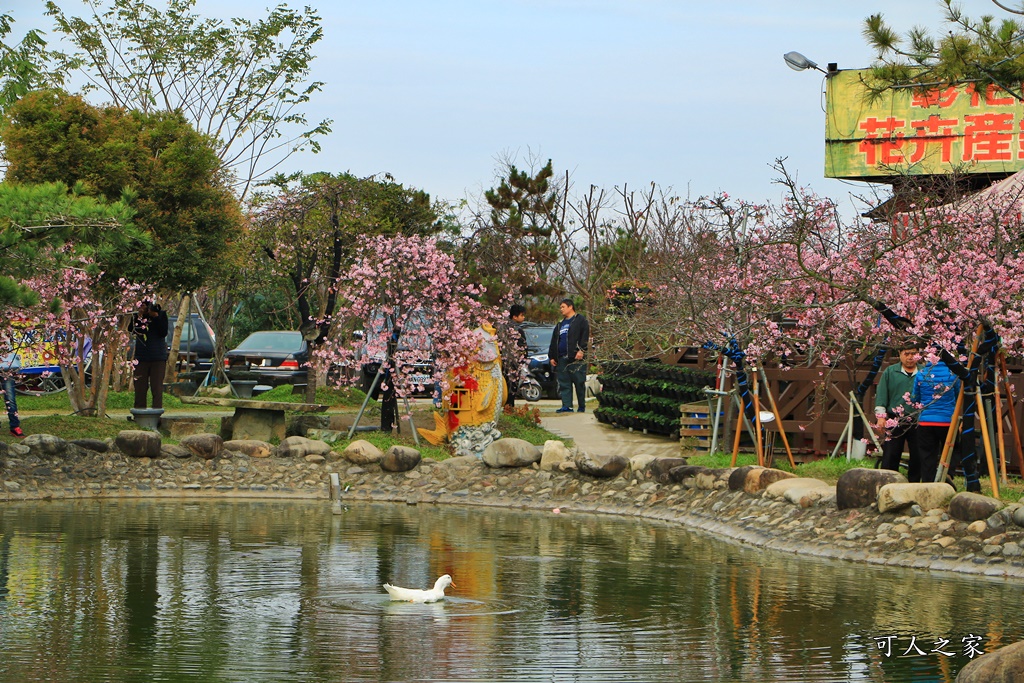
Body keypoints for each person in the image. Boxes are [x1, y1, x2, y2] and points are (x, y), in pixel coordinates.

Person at [873, 345, 921, 474]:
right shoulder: (891, 372)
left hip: (918, 418)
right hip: (895, 418)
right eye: (907, 353)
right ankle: (888, 481)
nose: (910, 357)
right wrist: (881, 417)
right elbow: (882, 395)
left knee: (918, 454)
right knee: (891, 454)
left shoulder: (923, 372)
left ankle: (914, 483)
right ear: (900, 353)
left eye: (914, 353)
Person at [912, 359, 960, 484]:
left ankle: (928, 482)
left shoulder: (921, 373)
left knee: (927, 454)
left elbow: (915, 397)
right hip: (947, 421)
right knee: (952, 450)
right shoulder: (952, 373)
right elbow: (958, 394)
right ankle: (947, 475)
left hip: (926, 421)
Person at [548, 298, 589, 413]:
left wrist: (581, 350)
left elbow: (584, 336)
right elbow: (554, 340)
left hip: (576, 358)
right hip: (562, 358)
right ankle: (567, 406)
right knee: (564, 383)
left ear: (570, 307)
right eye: (560, 307)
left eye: (563, 307)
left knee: (579, 382)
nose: (561, 309)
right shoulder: (560, 324)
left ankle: (581, 406)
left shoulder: (580, 320)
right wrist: (552, 356)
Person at [130, 300, 169, 410]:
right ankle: (139, 411)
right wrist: (139, 316)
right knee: (140, 387)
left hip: (158, 357)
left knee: (157, 387)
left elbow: (163, 332)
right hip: (141, 357)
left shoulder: (161, 315)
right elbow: (131, 329)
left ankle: (157, 412)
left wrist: (155, 316)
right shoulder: (137, 316)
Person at [502, 304, 527, 407]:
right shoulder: (517, 330)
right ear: (515, 316)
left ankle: (507, 406)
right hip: (514, 362)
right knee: (512, 387)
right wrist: (523, 360)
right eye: (521, 315)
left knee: (505, 386)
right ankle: (510, 407)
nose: (523, 317)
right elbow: (523, 347)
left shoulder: (503, 328)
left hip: (504, 361)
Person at [2, 343, 24, 437]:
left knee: (10, 398)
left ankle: (15, 426)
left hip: (6, 370)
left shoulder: (5, 335)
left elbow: (10, 349)